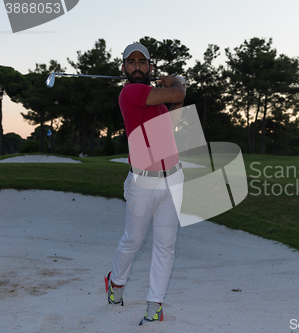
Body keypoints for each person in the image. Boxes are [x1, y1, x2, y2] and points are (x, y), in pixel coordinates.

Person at [105, 43, 186, 326]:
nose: (137, 66)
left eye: (143, 62)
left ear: (150, 67)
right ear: (124, 68)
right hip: (143, 182)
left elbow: (173, 119)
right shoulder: (130, 92)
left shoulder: (155, 102)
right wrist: (177, 81)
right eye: (131, 62)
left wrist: (174, 95)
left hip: (173, 178)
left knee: (166, 246)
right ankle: (116, 283)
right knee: (133, 241)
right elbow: (178, 91)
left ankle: (155, 304)